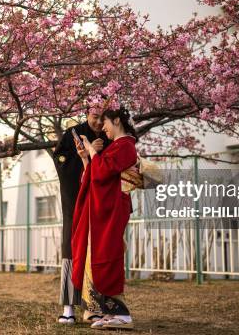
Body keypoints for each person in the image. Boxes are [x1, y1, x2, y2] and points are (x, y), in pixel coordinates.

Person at [71, 106, 138, 330]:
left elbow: (102, 173)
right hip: (104, 208)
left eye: (106, 122)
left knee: (108, 255)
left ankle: (123, 315)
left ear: (117, 121)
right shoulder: (119, 146)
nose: (103, 127)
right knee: (101, 254)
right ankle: (109, 312)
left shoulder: (126, 145)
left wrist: (91, 150)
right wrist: (86, 158)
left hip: (112, 209)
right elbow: (96, 174)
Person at [53, 108, 110, 325]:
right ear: (87, 114)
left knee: (97, 252)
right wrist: (83, 155)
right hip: (75, 201)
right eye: (94, 116)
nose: (98, 122)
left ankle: (93, 308)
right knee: (71, 249)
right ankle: (68, 307)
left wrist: (97, 154)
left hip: (100, 203)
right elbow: (60, 160)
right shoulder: (73, 133)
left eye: (102, 117)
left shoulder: (109, 134)